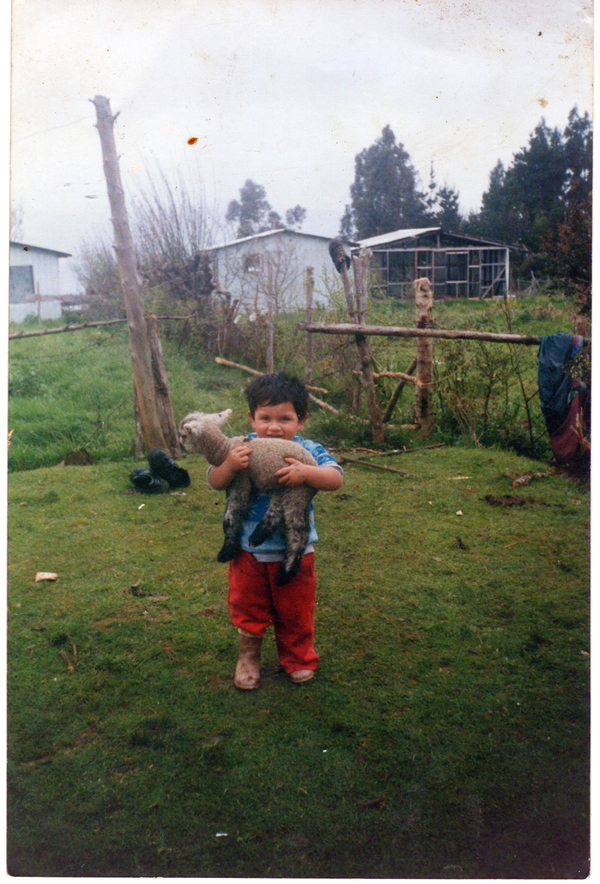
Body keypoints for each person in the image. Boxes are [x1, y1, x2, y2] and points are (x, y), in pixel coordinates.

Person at [208, 371, 343, 689]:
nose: (273, 426)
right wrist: (229, 466)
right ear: (251, 418)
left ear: (301, 419)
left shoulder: (308, 449)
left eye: (285, 418)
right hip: (247, 552)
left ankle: (298, 658)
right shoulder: (240, 448)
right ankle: (248, 659)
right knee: (247, 609)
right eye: (265, 417)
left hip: (294, 551)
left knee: (294, 610)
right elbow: (215, 480)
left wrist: (306, 472)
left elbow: (335, 478)